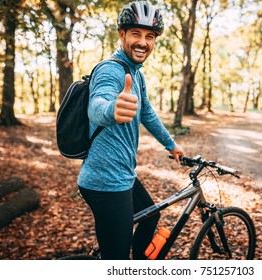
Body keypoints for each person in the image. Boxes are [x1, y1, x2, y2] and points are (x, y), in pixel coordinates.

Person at [77, 1, 184, 260]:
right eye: (136, 33)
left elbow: (146, 112)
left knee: (150, 214)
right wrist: (112, 109)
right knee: (117, 261)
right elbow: (97, 105)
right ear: (122, 35)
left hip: (122, 175)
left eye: (150, 36)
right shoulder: (110, 70)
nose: (143, 42)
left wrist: (171, 144)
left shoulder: (136, 74)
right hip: (105, 183)